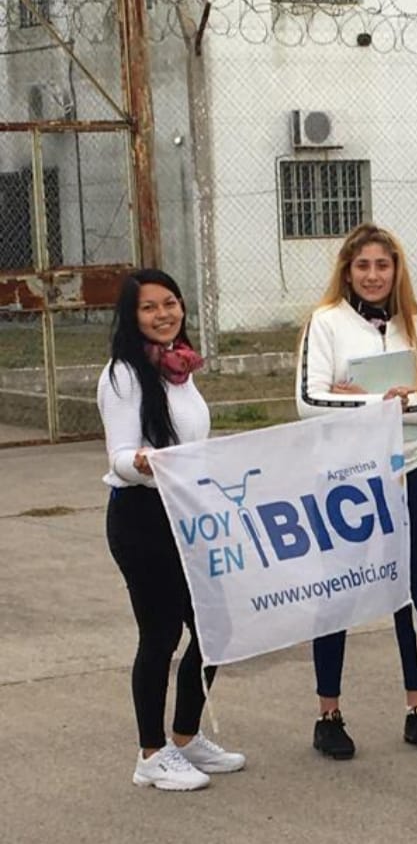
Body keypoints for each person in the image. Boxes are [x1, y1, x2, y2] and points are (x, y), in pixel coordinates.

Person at [296, 223, 417, 758]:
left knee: (410, 590)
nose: (372, 275)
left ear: (396, 270)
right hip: (345, 479)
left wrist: (374, 401)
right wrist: (380, 403)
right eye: (362, 265)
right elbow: (309, 401)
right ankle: (329, 715)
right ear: (347, 271)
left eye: (382, 265)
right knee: (338, 593)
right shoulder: (325, 323)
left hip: (410, 472)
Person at [97, 269, 246, 791]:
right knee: (160, 634)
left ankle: (185, 735)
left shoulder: (179, 367)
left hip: (188, 514)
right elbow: (118, 456)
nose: (163, 314)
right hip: (142, 517)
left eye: (171, 303)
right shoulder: (123, 374)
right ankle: (151, 754)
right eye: (149, 307)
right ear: (131, 316)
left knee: (215, 627)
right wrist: (141, 462)